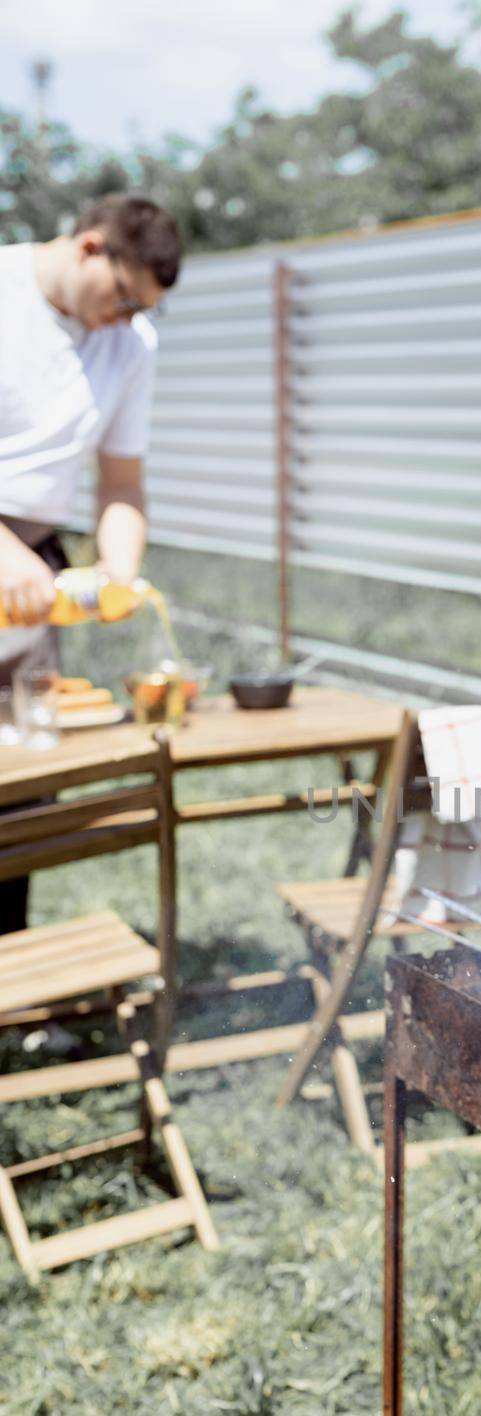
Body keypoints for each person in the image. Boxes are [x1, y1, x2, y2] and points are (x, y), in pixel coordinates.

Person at [0, 193, 181, 933]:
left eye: (144, 306)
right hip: (10, 554)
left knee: (25, 782)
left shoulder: (132, 345)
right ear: (88, 248)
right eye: (123, 294)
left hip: (33, 566)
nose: (128, 316)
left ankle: (12, 987)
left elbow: (121, 482)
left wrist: (119, 572)